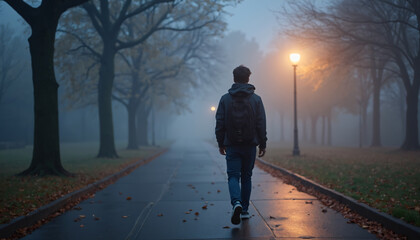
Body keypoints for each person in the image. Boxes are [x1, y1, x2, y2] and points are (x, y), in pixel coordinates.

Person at [215, 65, 267, 225]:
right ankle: (244, 209)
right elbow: (261, 123)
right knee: (246, 176)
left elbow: (220, 122)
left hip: (231, 144)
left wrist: (221, 142)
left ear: (234, 78)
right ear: (248, 78)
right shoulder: (256, 99)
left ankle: (236, 202)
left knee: (233, 175)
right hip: (250, 144)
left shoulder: (225, 99)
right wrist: (263, 144)